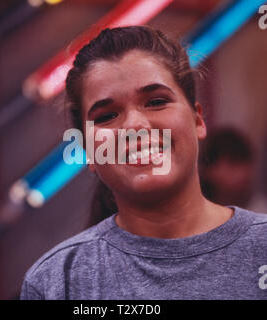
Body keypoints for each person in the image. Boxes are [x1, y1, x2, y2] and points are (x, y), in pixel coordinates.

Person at [21, 26, 267, 300]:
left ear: (197, 120)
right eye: (106, 116)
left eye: (156, 101)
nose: (135, 125)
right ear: (87, 152)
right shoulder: (57, 281)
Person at [200, 127, 267, 213]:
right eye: (233, 163)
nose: (223, 172)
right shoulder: (198, 213)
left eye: (233, 162)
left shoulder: (261, 211)